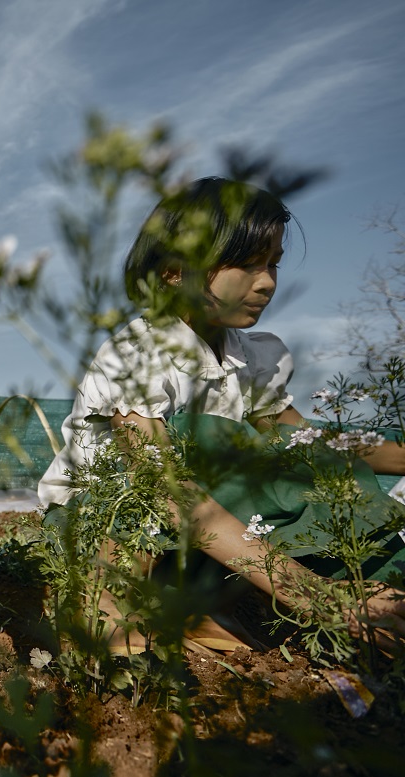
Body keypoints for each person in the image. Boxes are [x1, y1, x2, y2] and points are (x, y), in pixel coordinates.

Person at [37, 176, 405, 653]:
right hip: (112, 526)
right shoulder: (138, 355)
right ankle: (97, 594)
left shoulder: (254, 359)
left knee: (309, 466)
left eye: (273, 263)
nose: (268, 282)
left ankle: (196, 603)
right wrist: (315, 597)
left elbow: (309, 446)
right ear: (173, 272)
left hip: (205, 542)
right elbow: (165, 491)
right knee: (207, 438)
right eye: (248, 264)